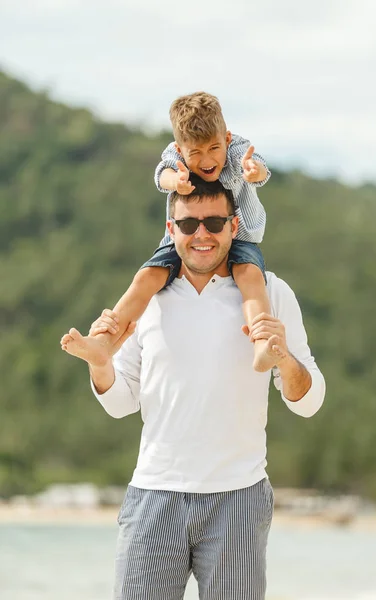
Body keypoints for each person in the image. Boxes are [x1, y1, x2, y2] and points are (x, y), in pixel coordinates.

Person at [61, 178, 326, 600]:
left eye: (214, 222)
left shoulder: (271, 292)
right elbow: (120, 403)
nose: (201, 234)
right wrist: (100, 365)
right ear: (170, 230)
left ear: (234, 226)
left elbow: (309, 403)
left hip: (239, 500)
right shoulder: (146, 300)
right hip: (153, 497)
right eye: (188, 225)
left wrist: (284, 359)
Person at [61, 91, 275, 372]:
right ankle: (103, 342)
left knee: (251, 278)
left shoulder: (236, 149)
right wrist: (177, 180)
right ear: (180, 148)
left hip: (240, 236)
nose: (206, 160)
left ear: (226, 139)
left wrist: (253, 171)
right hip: (181, 242)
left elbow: (259, 166)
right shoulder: (175, 157)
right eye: (195, 153)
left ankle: (262, 343)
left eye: (213, 149)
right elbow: (162, 176)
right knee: (146, 278)